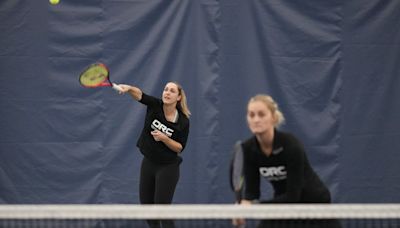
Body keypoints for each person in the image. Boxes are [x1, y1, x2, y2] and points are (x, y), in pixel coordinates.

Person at [233, 94, 341, 228]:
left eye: (261, 114)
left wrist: (255, 206)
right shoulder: (248, 149)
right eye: (251, 115)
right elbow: (252, 193)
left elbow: (292, 196)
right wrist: (241, 209)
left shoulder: (291, 145)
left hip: (315, 208)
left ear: (273, 117)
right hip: (283, 209)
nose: (256, 119)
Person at [117, 82, 190, 228]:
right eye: (165, 90)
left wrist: (165, 138)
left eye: (172, 91)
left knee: (162, 211)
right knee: (147, 211)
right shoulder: (155, 105)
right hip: (149, 163)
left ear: (178, 97)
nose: (167, 93)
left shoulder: (183, 121)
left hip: (168, 167)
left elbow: (179, 147)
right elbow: (140, 95)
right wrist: (129, 89)